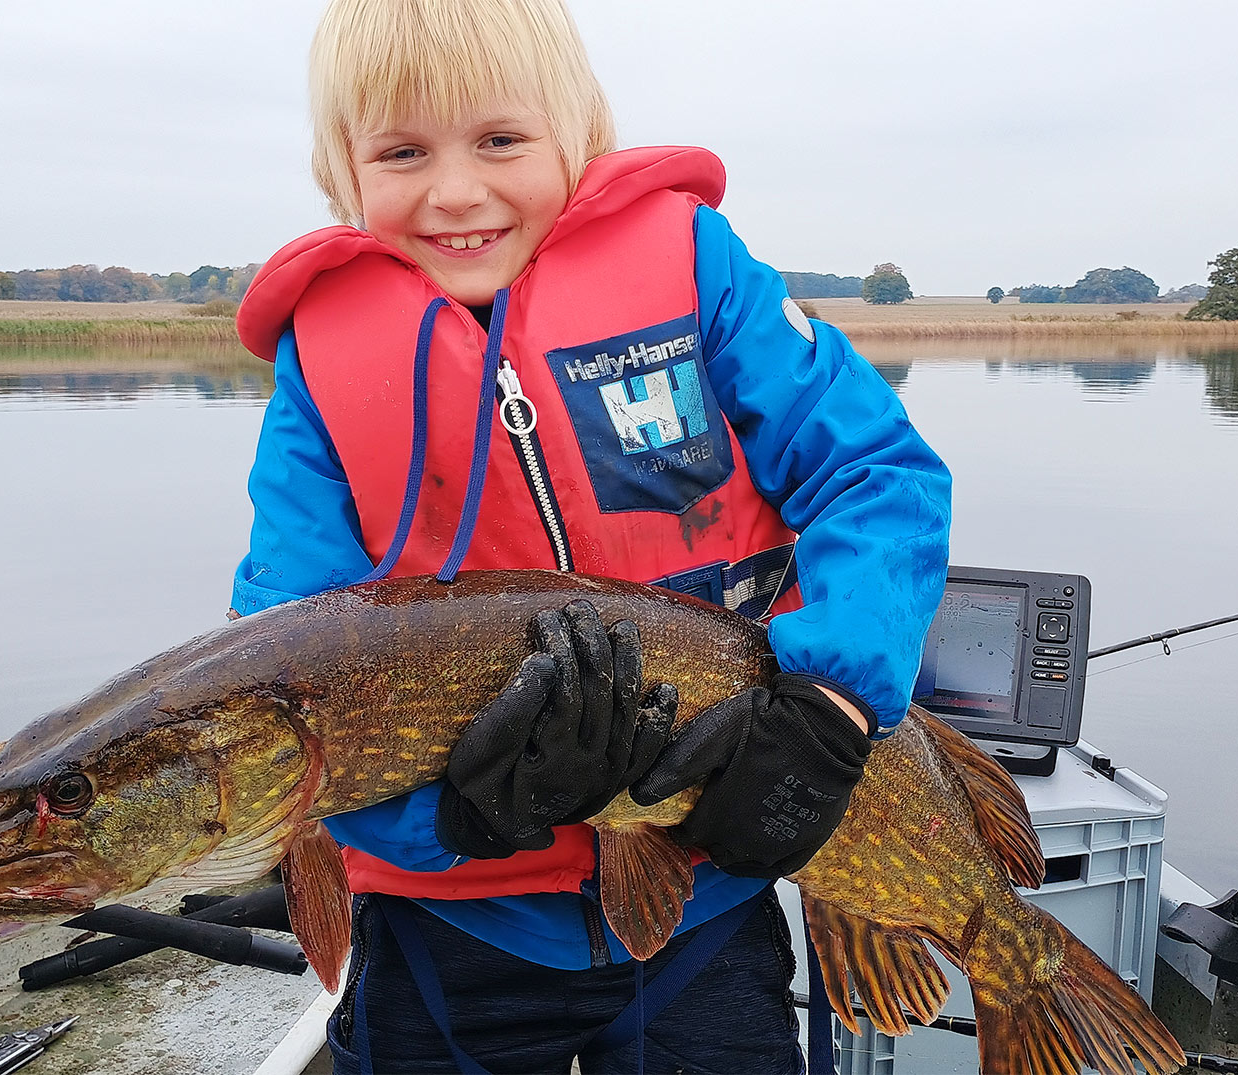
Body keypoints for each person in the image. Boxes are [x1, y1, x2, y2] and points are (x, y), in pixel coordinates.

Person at [228, 1, 951, 1070]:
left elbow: (875, 472)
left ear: (578, 139)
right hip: (450, 921)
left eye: (501, 141)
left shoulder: (692, 270)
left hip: (708, 894)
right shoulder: (322, 364)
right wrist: (442, 825)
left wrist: (835, 703)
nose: (457, 190)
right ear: (344, 173)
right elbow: (285, 673)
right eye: (402, 152)